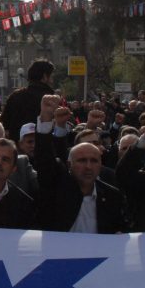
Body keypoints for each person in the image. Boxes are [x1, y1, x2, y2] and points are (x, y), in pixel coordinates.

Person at [33, 95, 129, 234]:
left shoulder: (112, 196)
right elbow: (44, 159)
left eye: (94, 161)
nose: (88, 166)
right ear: (69, 164)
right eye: (82, 161)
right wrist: (46, 118)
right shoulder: (55, 189)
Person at [0, 58, 55, 141]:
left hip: (17, 146)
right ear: (44, 77)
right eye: (51, 76)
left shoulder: (15, 96)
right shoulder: (50, 99)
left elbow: (4, 123)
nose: (52, 80)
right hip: (43, 145)